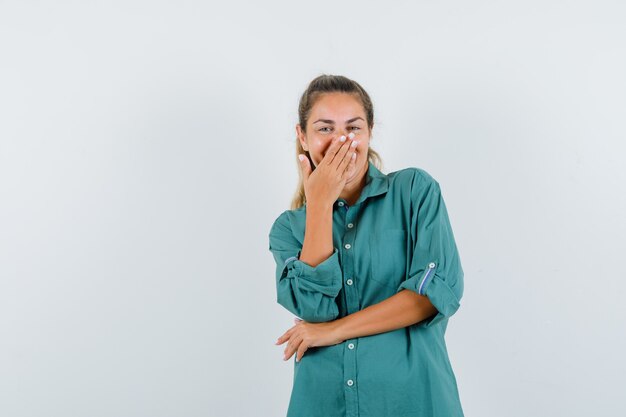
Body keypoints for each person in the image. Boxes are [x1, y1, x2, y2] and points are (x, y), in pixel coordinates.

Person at [268, 74, 465, 417]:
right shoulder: (288, 229)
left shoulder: (414, 192)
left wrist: (331, 332)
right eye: (325, 128)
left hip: (413, 402)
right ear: (303, 137)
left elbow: (431, 296)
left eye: (353, 128)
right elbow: (314, 308)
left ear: (370, 131)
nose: (341, 141)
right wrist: (319, 206)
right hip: (323, 404)